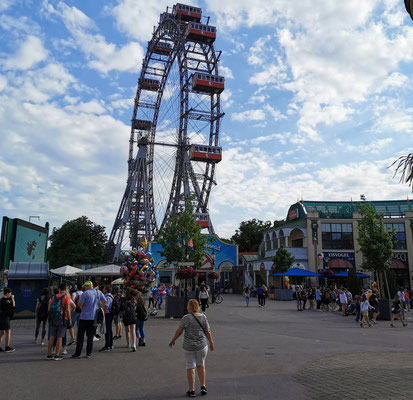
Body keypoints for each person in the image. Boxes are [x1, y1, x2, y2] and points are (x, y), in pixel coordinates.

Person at [169, 299, 214, 398]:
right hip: (202, 346)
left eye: (188, 306)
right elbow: (208, 331)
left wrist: (173, 340)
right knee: (201, 365)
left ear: (190, 307)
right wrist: (211, 342)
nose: (186, 307)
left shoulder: (186, 318)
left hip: (189, 346)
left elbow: (179, 331)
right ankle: (203, 386)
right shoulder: (203, 317)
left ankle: (191, 390)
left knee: (190, 366)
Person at [71, 281, 107, 359]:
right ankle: (88, 353)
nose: (84, 287)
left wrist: (82, 303)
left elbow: (80, 305)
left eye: (85, 286)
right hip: (93, 317)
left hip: (84, 317)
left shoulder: (85, 293)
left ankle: (78, 353)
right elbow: (105, 302)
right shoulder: (98, 292)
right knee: (90, 336)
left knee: (80, 336)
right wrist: (99, 308)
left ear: (89, 286)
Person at [47, 282, 72, 360]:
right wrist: (69, 319)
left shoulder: (54, 297)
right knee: (59, 337)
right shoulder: (66, 297)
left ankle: (49, 354)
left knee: (52, 336)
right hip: (62, 319)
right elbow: (67, 310)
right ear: (66, 288)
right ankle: (57, 355)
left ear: (60, 289)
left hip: (54, 318)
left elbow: (49, 308)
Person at [122, 287, 138, 351]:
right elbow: (135, 308)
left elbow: (122, 307)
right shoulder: (133, 299)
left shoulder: (123, 299)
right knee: (133, 330)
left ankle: (128, 343)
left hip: (126, 316)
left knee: (127, 330)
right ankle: (134, 344)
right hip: (132, 315)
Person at [0, 288, 15, 353]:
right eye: (10, 293)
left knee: (2, 333)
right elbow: (13, 307)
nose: (11, 294)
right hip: (5, 318)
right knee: (8, 332)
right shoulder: (6, 301)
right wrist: (13, 299)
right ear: (7, 293)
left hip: (1, 317)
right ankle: (7, 347)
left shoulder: (1, 300)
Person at [99, 285, 114, 352]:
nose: (103, 290)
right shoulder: (111, 296)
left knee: (107, 330)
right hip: (110, 314)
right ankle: (110, 344)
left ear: (106, 290)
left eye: (104, 289)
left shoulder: (107, 297)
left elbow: (106, 307)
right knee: (109, 329)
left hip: (108, 314)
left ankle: (107, 345)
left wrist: (103, 314)